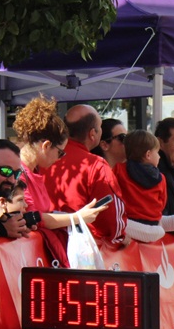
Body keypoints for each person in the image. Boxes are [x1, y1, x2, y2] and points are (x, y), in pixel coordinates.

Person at [12, 97, 108, 233]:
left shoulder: (34, 171)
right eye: (60, 152)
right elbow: (33, 218)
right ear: (46, 146)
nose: (60, 159)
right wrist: (77, 217)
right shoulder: (19, 173)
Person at [44, 103, 126, 245]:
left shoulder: (43, 159)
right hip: (81, 251)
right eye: (100, 126)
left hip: (41, 247)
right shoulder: (96, 166)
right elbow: (111, 221)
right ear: (92, 134)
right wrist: (119, 238)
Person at [114, 130, 174, 242]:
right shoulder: (161, 178)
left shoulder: (118, 170)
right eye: (157, 152)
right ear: (148, 155)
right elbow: (161, 204)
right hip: (153, 229)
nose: (159, 157)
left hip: (130, 227)